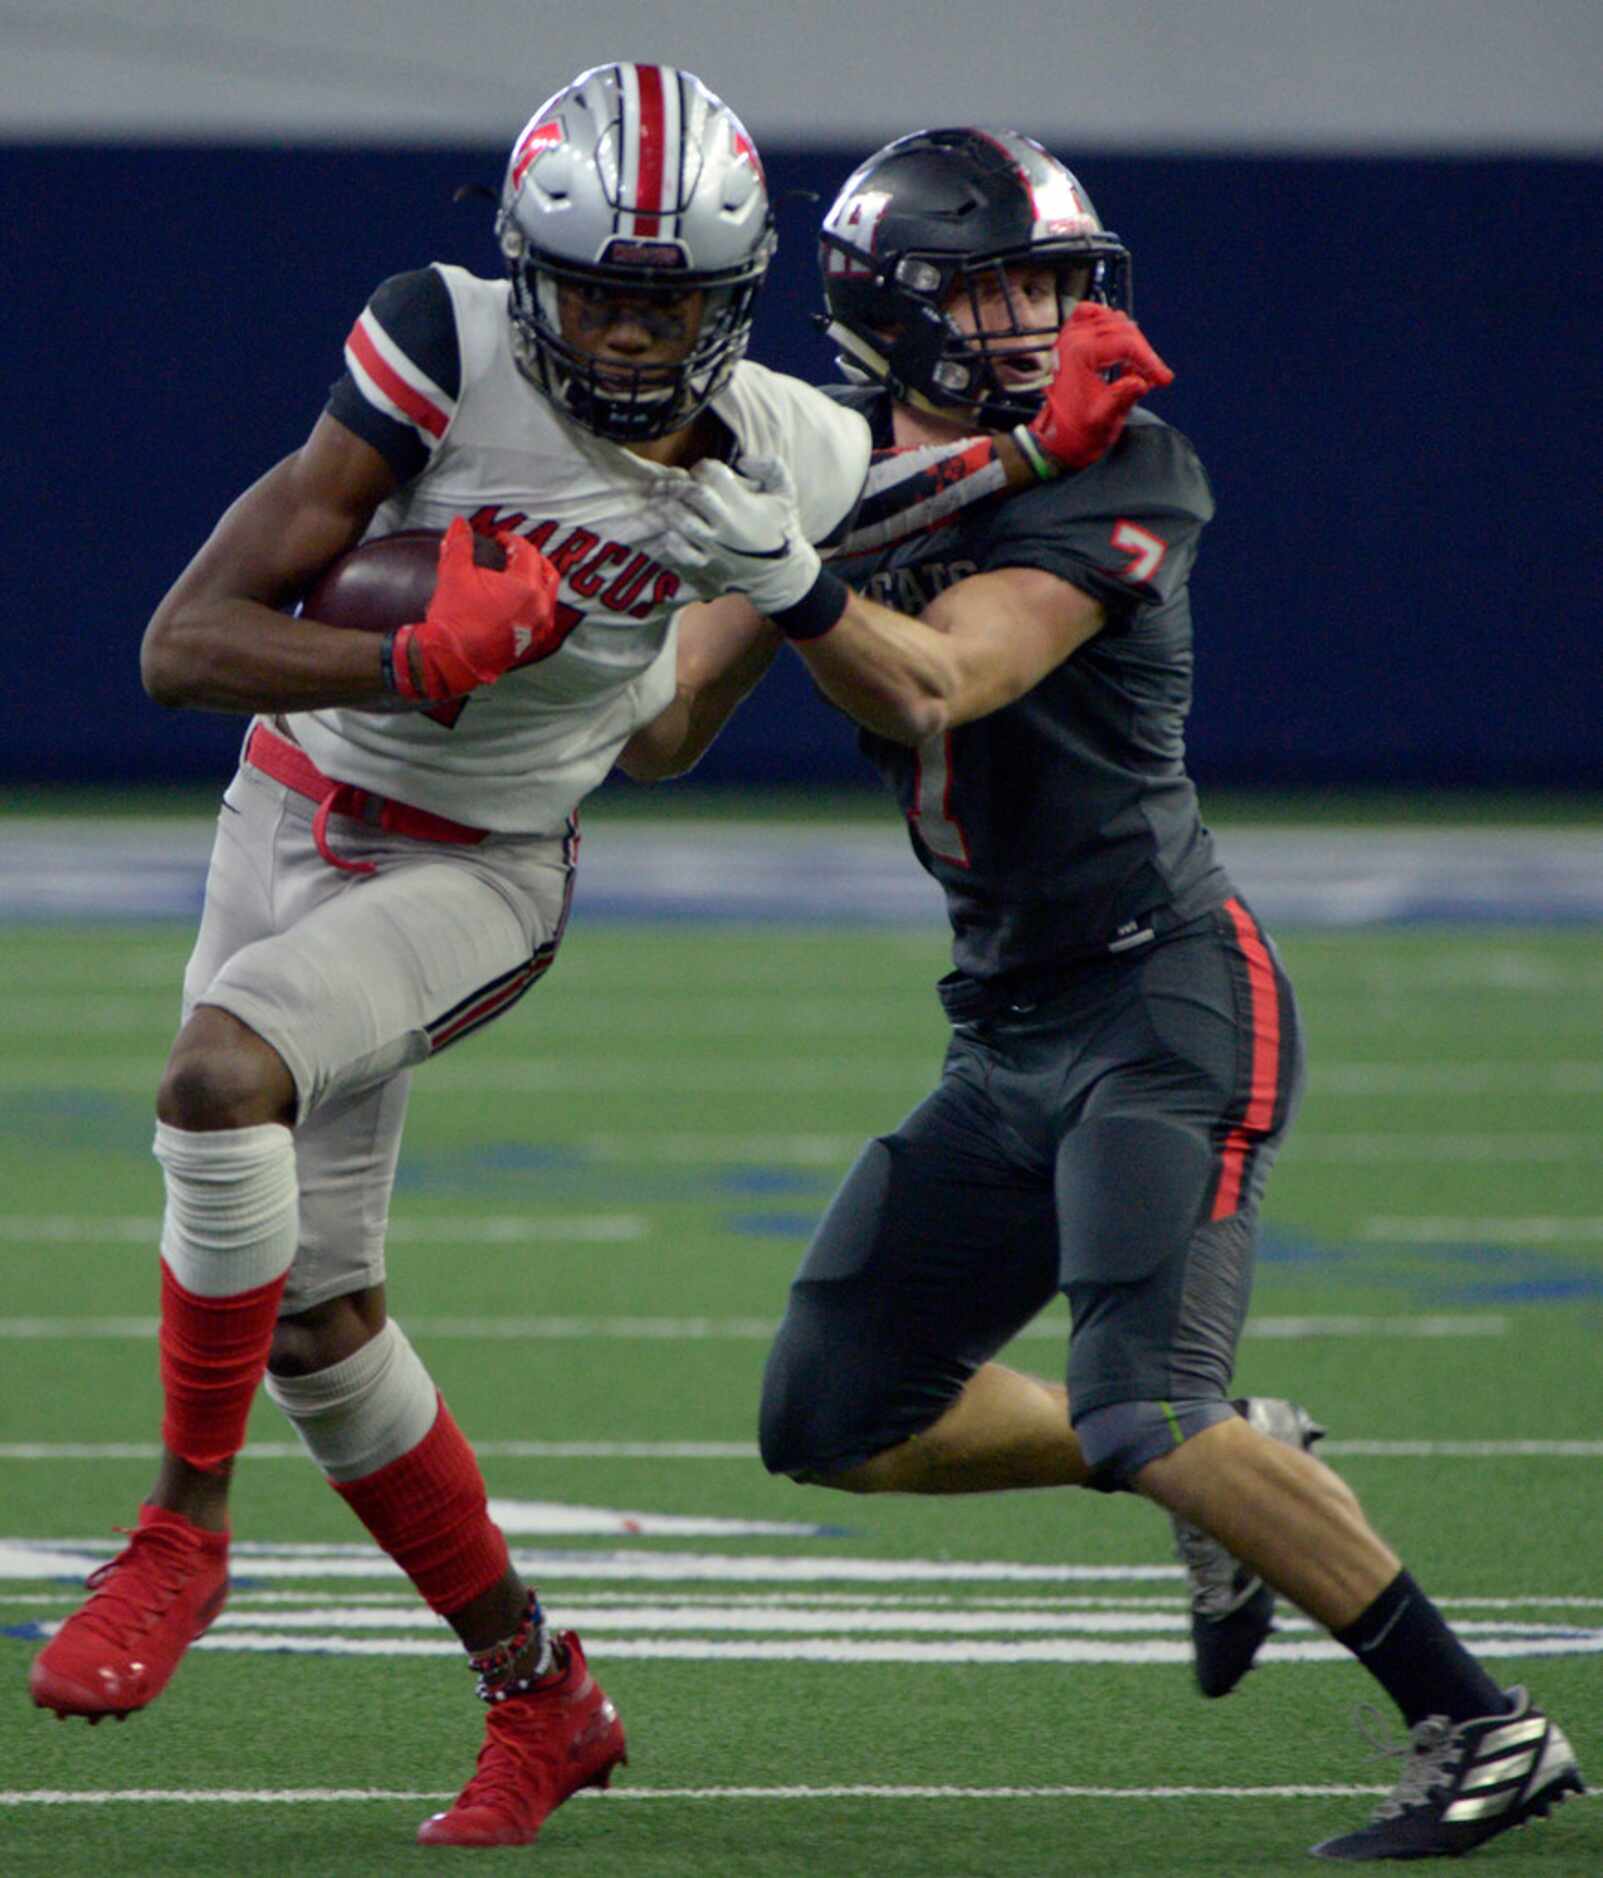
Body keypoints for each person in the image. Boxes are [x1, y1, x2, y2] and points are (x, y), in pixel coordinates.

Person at [27, 65, 1176, 1854]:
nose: (635, 339)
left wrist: (1031, 453)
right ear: (526, 275)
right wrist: (404, 659)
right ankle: (544, 1694)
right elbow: (186, 645)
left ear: (735, 304)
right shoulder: (436, 348)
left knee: (213, 1082)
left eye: (674, 304)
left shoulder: (785, 440)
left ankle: (181, 1530)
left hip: (484, 866)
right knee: (324, 1328)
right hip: (289, 811)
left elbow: (842, 542)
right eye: (600, 296)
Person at [655, 127, 1585, 1863]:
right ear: (893, 308)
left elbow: (942, 677)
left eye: (1057, 280)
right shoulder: (837, 462)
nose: (1044, 318)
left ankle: (1486, 1720)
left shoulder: (1131, 464)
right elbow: (658, 730)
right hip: (1003, 1028)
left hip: (1165, 999)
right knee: (834, 1414)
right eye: (1001, 285)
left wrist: (780, 551)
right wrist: (661, 552)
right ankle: (1241, 1469)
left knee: (1147, 1398)